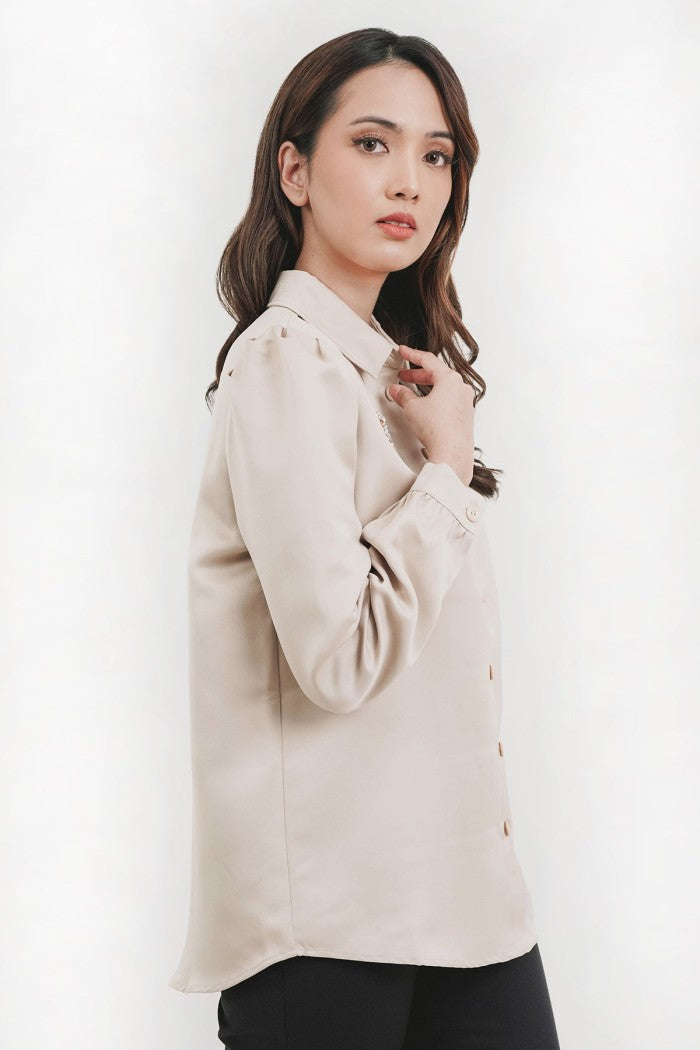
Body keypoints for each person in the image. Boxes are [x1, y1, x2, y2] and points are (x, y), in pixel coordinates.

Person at [168, 26, 561, 1049]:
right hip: (330, 923)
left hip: (465, 906)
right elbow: (338, 658)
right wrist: (445, 471)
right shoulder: (284, 362)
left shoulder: (395, 378)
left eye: (437, 155)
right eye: (373, 143)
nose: (410, 182)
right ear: (293, 171)